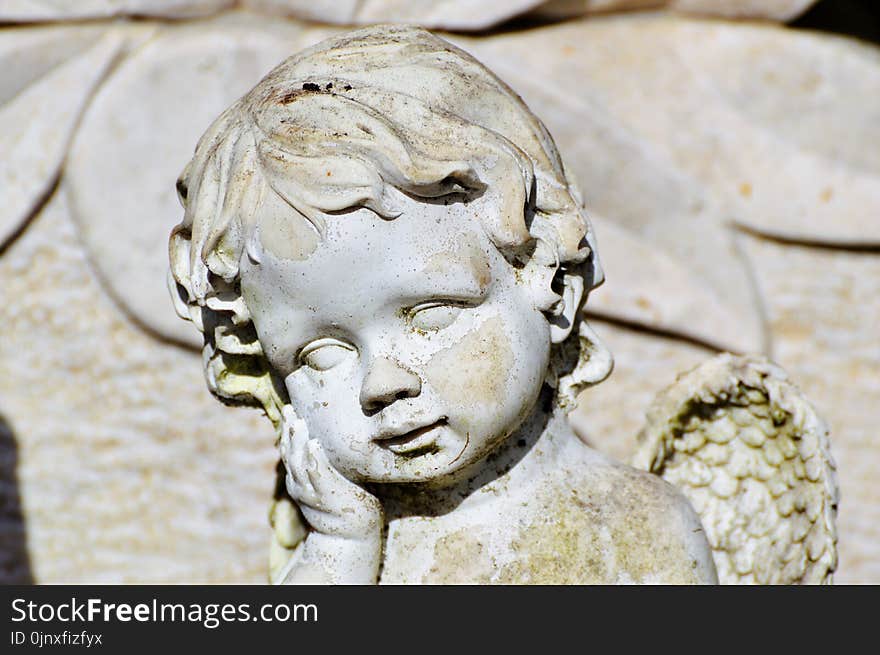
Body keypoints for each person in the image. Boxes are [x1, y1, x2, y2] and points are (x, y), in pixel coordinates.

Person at [169, 24, 717, 584]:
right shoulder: (343, 536)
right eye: (321, 355)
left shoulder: (632, 527)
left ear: (551, 287)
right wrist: (340, 547)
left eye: (430, 316)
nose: (381, 383)